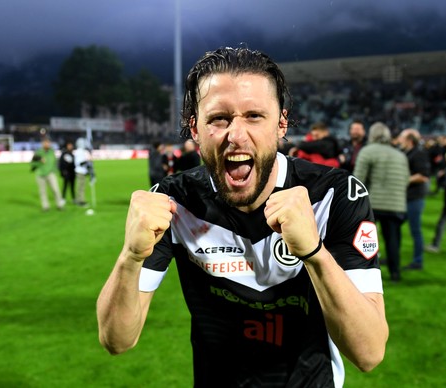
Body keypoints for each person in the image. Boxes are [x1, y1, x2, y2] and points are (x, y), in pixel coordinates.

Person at [96, 47, 388, 388]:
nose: (236, 135)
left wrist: (314, 253)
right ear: (195, 128)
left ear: (281, 124)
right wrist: (131, 257)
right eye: (219, 118)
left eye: (254, 116)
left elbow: (368, 354)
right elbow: (117, 341)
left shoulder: (334, 195)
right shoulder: (175, 202)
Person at [353, 122, 409, 282]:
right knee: (393, 240)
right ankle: (395, 273)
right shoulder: (400, 155)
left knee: (365, 240)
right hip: (396, 204)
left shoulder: (367, 151)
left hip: (373, 203)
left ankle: (364, 273)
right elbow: (405, 179)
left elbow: (358, 181)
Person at [398, 128, 430, 270]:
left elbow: (423, 176)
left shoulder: (418, 154)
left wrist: (404, 179)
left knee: (415, 230)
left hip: (415, 197)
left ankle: (418, 261)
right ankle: (395, 255)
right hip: (406, 197)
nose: (399, 140)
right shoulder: (408, 153)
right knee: (395, 227)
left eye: (402, 138)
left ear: (409, 140)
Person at [30, 137, 65, 211]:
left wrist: (55, 170)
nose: (47, 144)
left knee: (56, 190)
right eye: (45, 143)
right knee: (42, 191)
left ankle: (59, 205)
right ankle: (45, 206)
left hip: (50, 173)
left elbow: (55, 162)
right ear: (42, 144)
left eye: (48, 143)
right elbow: (32, 164)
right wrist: (39, 161)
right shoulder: (38, 152)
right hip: (40, 174)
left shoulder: (51, 152)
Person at [74, 137, 91, 207]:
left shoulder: (82, 151)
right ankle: (80, 201)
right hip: (80, 172)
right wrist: (87, 163)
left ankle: (81, 200)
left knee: (82, 186)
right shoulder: (79, 152)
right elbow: (79, 163)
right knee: (80, 187)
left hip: (82, 171)